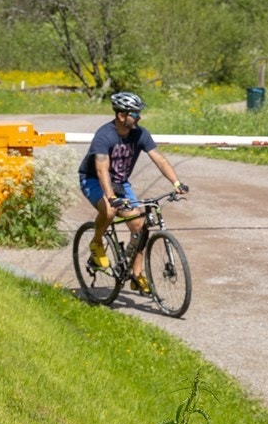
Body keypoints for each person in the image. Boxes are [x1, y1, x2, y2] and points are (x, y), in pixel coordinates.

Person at [78, 91, 188, 295]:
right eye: (135, 114)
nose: (139, 117)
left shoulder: (140, 133)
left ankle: (136, 275)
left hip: (120, 182)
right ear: (121, 116)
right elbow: (102, 169)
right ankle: (97, 243)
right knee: (110, 211)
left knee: (140, 225)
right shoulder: (104, 135)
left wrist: (176, 182)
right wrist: (111, 197)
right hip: (93, 180)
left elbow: (160, 159)